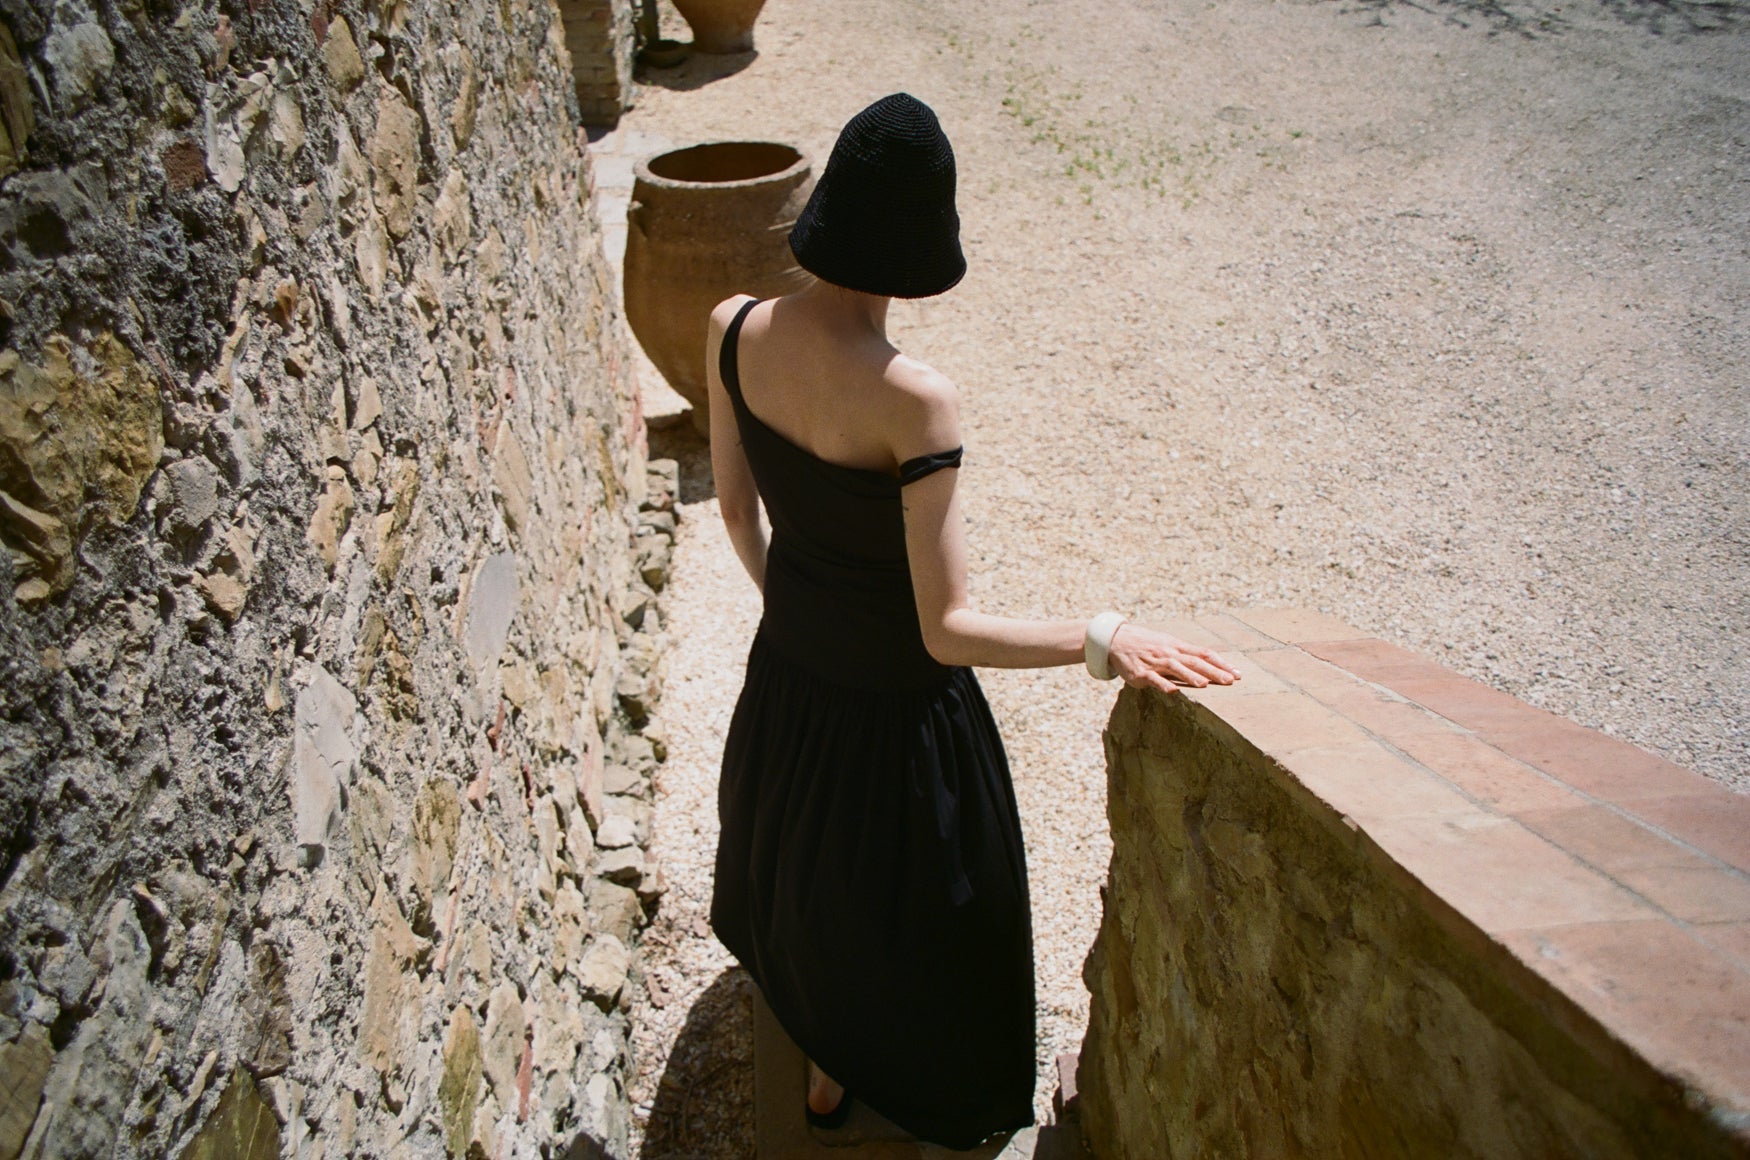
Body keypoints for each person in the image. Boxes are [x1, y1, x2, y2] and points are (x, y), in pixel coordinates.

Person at [705, 93, 1241, 1150]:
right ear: (917, 245)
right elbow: (946, 628)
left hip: (791, 673)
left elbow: (734, 509)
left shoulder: (728, 328)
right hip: (898, 711)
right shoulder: (916, 401)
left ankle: (823, 1075)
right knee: (924, 914)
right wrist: (1105, 636)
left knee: (809, 883)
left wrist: (798, 611)